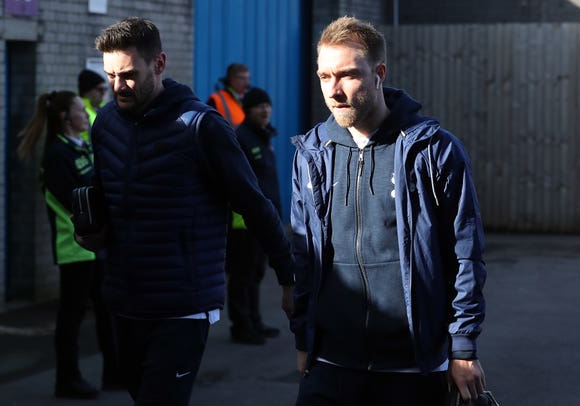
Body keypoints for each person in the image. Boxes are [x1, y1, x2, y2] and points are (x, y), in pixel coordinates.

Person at [76, 17, 294, 405]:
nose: (117, 87)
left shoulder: (201, 127)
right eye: (109, 75)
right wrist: (91, 227)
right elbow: (105, 187)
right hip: (124, 295)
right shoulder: (106, 122)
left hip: (182, 302)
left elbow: (254, 203)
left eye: (128, 75)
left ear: (159, 64)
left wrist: (290, 276)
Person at [290, 16, 487, 405]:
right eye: (324, 76)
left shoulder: (433, 151)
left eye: (347, 75)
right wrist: (303, 338)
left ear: (379, 72)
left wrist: (463, 347)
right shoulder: (312, 154)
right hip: (331, 360)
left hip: (411, 365)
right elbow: (303, 254)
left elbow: (466, 254)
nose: (334, 90)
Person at [16, 90, 119, 399]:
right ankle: (67, 379)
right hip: (75, 248)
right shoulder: (56, 156)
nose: (85, 116)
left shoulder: (83, 147)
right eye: (79, 110)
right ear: (65, 117)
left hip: (96, 245)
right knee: (71, 318)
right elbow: (77, 202)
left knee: (107, 311)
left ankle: (114, 372)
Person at [226, 87, 282, 344]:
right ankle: (241, 325)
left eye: (267, 106)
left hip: (264, 219)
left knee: (257, 273)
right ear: (248, 110)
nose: (265, 110)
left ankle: (255, 321)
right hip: (244, 221)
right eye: (260, 106)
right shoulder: (242, 137)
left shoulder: (263, 136)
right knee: (242, 275)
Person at [206, 63, 250, 127]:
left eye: (248, 78)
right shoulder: (216, 100)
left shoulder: (249, 99)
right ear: (231, 79)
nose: (247, 83)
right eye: (242, 78)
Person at [77, 69, 108, 143]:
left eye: (105, 89)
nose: (103, 93)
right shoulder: (78, 111)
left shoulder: (106, 109)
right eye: (100, 89)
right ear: (87, 91)